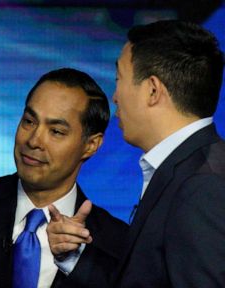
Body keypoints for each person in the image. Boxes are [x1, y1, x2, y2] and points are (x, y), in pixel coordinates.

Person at [47, 20, 225, 287]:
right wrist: (75, 258)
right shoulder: (192, 168)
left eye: (119, 79)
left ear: (153, 90)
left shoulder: (201, 186)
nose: (115, 96)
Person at [0, 68, 128, 288]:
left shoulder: (119, 244)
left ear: (91, 145)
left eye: (56, 131)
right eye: (29, 121)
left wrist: (74, 264)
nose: (34, 140)